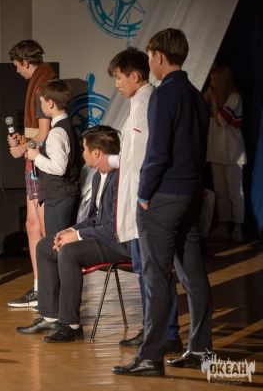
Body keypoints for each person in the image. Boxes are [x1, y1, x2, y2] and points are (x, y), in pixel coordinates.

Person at [112, 28, 212, 377]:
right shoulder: (196, 95)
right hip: (191, 194)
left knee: (156, 277)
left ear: (158, 57)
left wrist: (143, 194)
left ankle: (150, 357)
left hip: (164, 196)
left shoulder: (163, 94)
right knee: (193, 276)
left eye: (151, 55)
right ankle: (200, 350)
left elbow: (157, 152)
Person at [93, 47, 182, 354]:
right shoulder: (138, 102)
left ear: (134, 75)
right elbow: (133, 156)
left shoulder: (146, 102)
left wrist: (144, 196)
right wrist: (111, 161)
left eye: (119, 77)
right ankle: (153, 329)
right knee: (147, 271)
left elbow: (150, 155)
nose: (117, 84)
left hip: (145, 203)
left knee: (153, 271)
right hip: (138, 202)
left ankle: (165, 333)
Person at [16, 125, 131, 341]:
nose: (83, 153)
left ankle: (71, 325)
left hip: (118, 242)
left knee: (69, 252)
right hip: (101, 236)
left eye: (84, 149)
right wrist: (71, 230)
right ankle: (50, 316)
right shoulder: (98, 177)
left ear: (96, 152)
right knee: (45, 245)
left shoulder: (120, 179)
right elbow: (95, 217)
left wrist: (77, 237)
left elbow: (114, 226)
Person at [7, 39, 57, 308]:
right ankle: (40, 287)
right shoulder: (38, 83)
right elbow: (36, 131)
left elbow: (45, 133)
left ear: (26, 62)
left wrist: (23, 148)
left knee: (45, 228)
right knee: (32, 225)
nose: (17, 71)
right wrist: (23, 140)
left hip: (41, 164)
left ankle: (50, 288)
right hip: (33, 163)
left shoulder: (44, 84)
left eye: (17, 65)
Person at [26, 79, 81, 238]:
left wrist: (36, 156)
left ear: (50, 103)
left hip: (58, 197)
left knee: (56, 242)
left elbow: (59, 167)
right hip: (62, 195)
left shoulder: (57, 132)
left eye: (41, 102)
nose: (41, 106)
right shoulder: (66, 126)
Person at [203, 65, 246, 243]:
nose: (212, 84)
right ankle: (222, 226)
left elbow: (222, 121)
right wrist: (206, 99)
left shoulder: (234, 97)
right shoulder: (217, 99)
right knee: (221, 192)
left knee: (235, 192)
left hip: (232, 153)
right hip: (216, 152)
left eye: (214, 80)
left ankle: (237, 228)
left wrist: (213, 100)